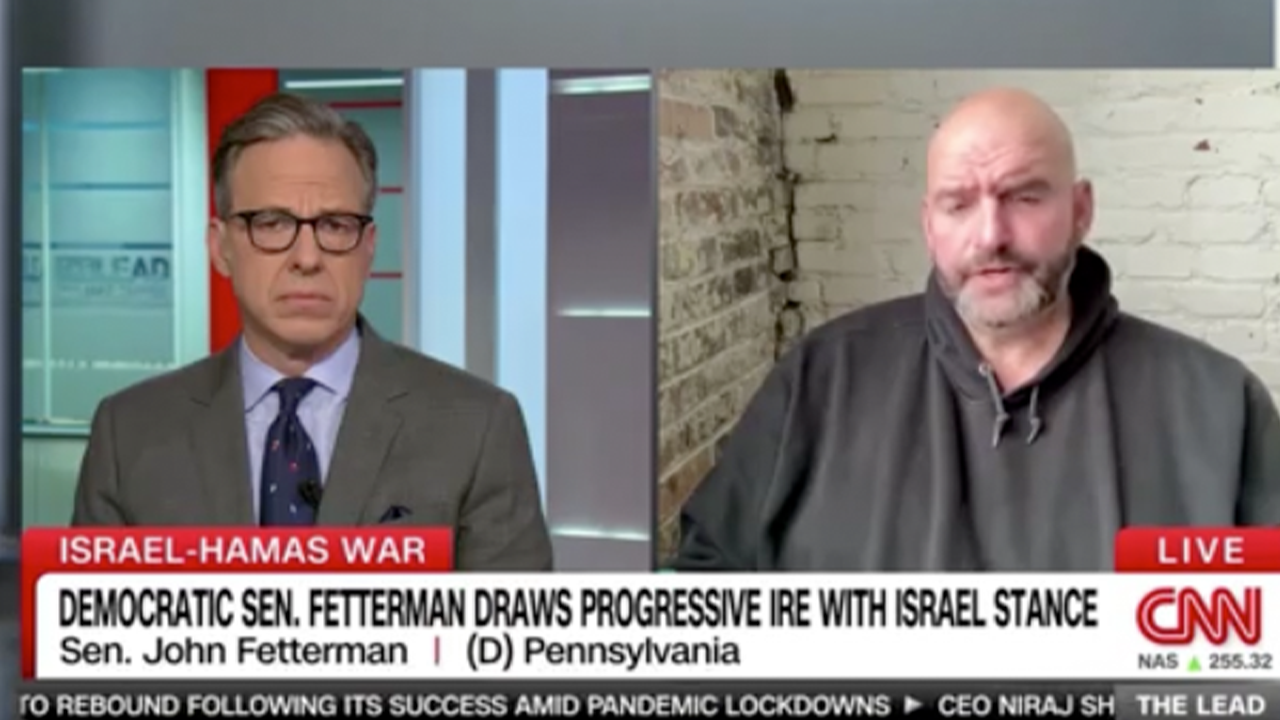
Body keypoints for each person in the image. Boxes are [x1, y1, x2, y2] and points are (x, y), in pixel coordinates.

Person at [673, 87, 1280, 572]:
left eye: (1024, 196)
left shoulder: (1219, 404)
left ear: (1080, 211)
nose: (990, 235)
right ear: (929, 225)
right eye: (958, 204)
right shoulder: (819, 380)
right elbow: (706, 593)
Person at [71, 93, 553, 571]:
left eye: (336, 226)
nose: (307, 258)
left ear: (368, 247)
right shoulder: (129, 432)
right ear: (220, 248)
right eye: (272, 223)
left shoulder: (478, 428)